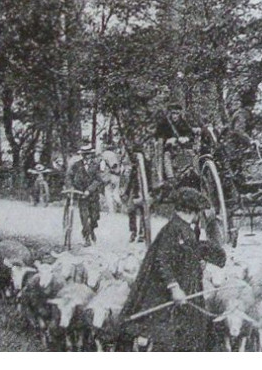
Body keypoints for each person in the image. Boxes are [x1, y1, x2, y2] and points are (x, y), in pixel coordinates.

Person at [118, 187, 228, 351]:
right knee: (168, 337)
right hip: (169, 295)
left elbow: (188, 252)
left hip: (189, 291)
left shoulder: (185, 229)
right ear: (192, 211)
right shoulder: (173, 230)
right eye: (198, 212)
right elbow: (163, 260)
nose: (199, 217)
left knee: (193, 333)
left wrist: (202, 258)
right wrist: (174, 287)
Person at [68, 145, 106, 247]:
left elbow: (99, 179)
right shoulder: (76, 165)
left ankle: (92, 230)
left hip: (93, 196)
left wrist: (89, 190)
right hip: (81, 196)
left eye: (88, 154)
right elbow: (70, 177)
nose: (86, 156)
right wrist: (71, 187)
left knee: (94, 217)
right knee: (84, 218)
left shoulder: (96, 165)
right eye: (84, 154)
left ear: (91, 155)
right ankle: (87, 237)